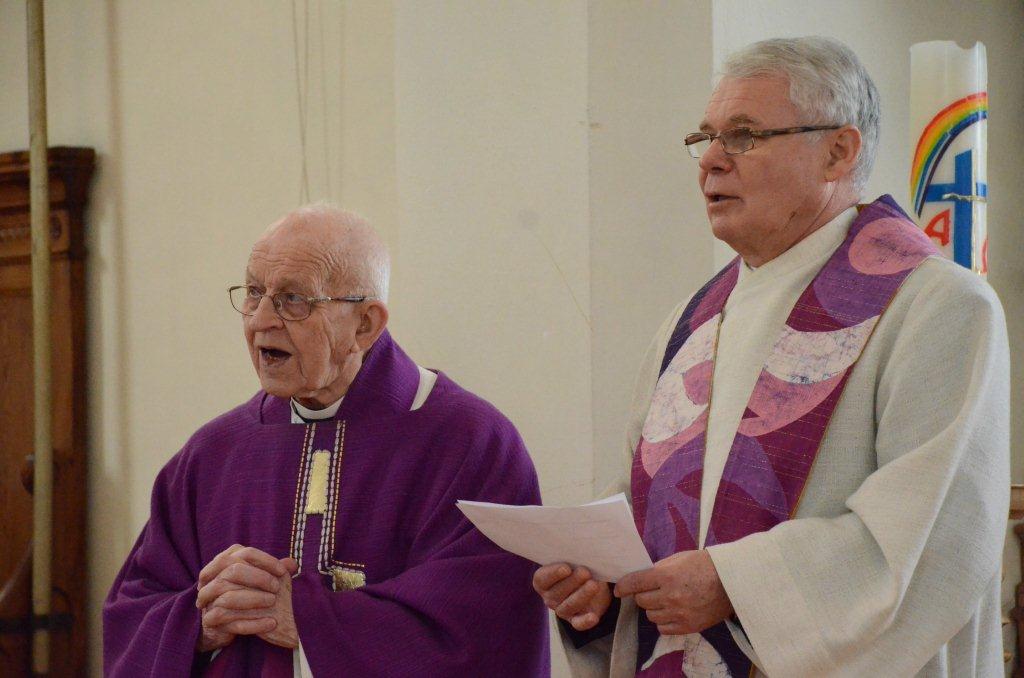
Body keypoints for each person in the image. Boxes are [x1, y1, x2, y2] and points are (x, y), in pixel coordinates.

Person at [534, 36, 1009, 677]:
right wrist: (600, 583)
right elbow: (644, 501)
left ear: (838, 152)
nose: (711, 162)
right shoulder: (693, 322)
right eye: (705, 138)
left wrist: (735, 584)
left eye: (745, 136)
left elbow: (933, 537)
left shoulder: (938, 306)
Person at [104, 205, 550, 677]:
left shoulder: (470, 444)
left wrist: (307, 618)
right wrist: (200, 622)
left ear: (365, 324)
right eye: (254, 293)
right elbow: (132, 616)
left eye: (293, 299)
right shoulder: (213, 455)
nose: (261, 320)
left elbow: (483, 632)